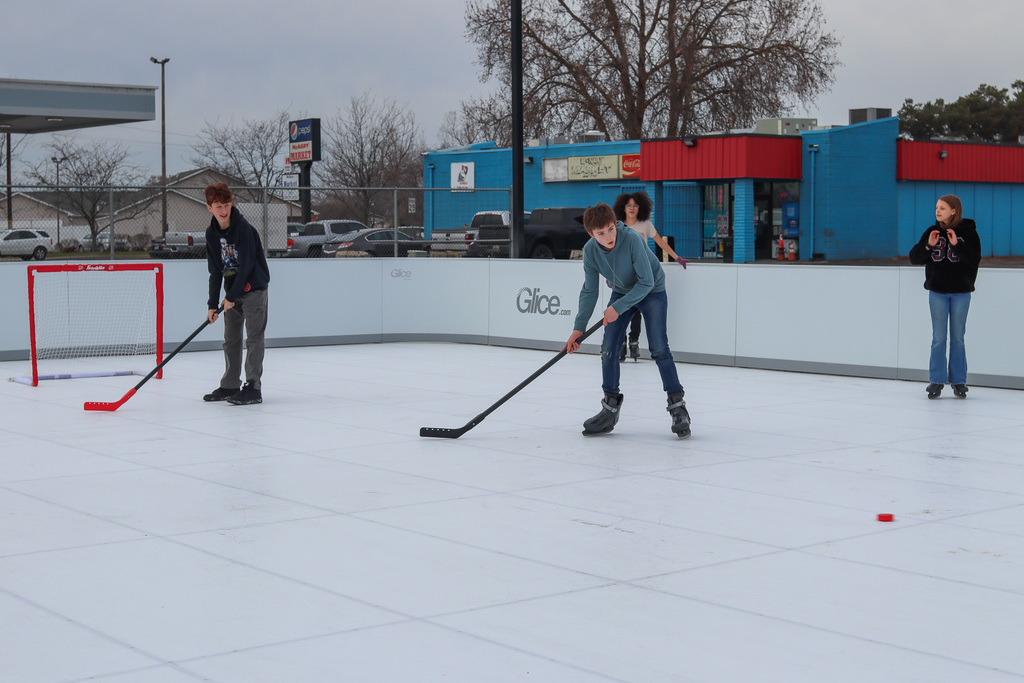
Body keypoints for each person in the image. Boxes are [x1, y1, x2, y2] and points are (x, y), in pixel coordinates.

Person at [564, 202, 690, 438]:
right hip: (621, 290)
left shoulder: (631, 239)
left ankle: (678, 407)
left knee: (659, 348)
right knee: (608, 348)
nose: (609, 236)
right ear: (591, 234)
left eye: (611, 229)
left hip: (651, 290)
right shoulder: (590, 251)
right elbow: (589, 291)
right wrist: (578, 329)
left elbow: (646, 282)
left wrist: (617, 308)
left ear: (616, 224)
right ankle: (609, 409)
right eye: (601, 233)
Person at [202, 182, 271, 405]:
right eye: (218, 206)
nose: (223, 211)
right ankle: (230, 384)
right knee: (231, 339)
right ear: (209, 208)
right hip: (232, 292)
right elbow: (215, 270)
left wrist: (231, 297)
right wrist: (213, 304)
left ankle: (253, 387)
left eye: (227, 205)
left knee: (254, 338)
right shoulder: (211, 234)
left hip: (253, 290)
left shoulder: (244, 229)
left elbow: (248, 265)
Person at [908, 194, 980, 399]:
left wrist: (957, 244)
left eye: (942, 208)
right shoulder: (932, 232)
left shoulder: (969, 233)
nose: (937, 211)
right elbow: (914, 258)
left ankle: (959, 381)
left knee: (958, 338)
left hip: (961, 293)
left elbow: (974, 259)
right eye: (937, 207)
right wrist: (928, 246)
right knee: (938, 338)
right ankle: (936, 381)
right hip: (937, 292)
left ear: (954, 211)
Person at [611, 191, 687, 362]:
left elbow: (660, 241)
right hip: (623, 275)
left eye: (635, 205)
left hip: (641, 274)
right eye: (628, 205)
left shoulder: (645, 225)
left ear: (640, 208)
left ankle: (633, 340)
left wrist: (677, 257)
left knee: (637, 309)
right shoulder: (616, 226)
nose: (632, 208)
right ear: (623, 207)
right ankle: (621, 344)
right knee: (621, 310)